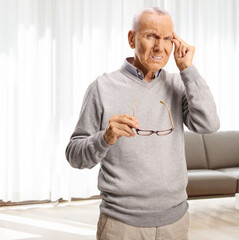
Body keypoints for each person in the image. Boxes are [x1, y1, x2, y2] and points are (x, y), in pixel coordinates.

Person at [65, 6, 219, 240]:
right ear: (131, 38)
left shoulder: (180, 85)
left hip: (176, 221)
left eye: (168, 38)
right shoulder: (102, 87)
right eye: (151, 36)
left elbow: (209, 124)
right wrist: (104, 138)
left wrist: (188, 69)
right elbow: (74, 155)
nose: (160, 47)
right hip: (122, 224)